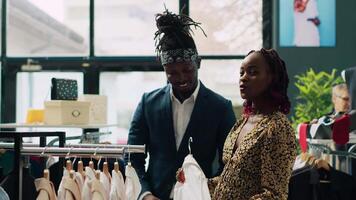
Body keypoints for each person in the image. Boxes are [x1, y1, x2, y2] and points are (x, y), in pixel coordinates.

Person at [127, 9, 236, 200]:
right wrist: (145, 194)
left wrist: (209, 191)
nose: (181, 78)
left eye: (187, 70)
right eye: (172, 73)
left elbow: (229, 164)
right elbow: (132, 157)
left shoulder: (221, 107)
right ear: (164, 70)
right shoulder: (147, 104)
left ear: (198, 63)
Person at [207, 49, 297, 199]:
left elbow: (274, 195)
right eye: (241, 73)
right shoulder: (243, 122)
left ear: (271, 78)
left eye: (253, 72)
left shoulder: (277, 127)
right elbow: (231, 181)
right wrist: (197, 182)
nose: (243, 78)